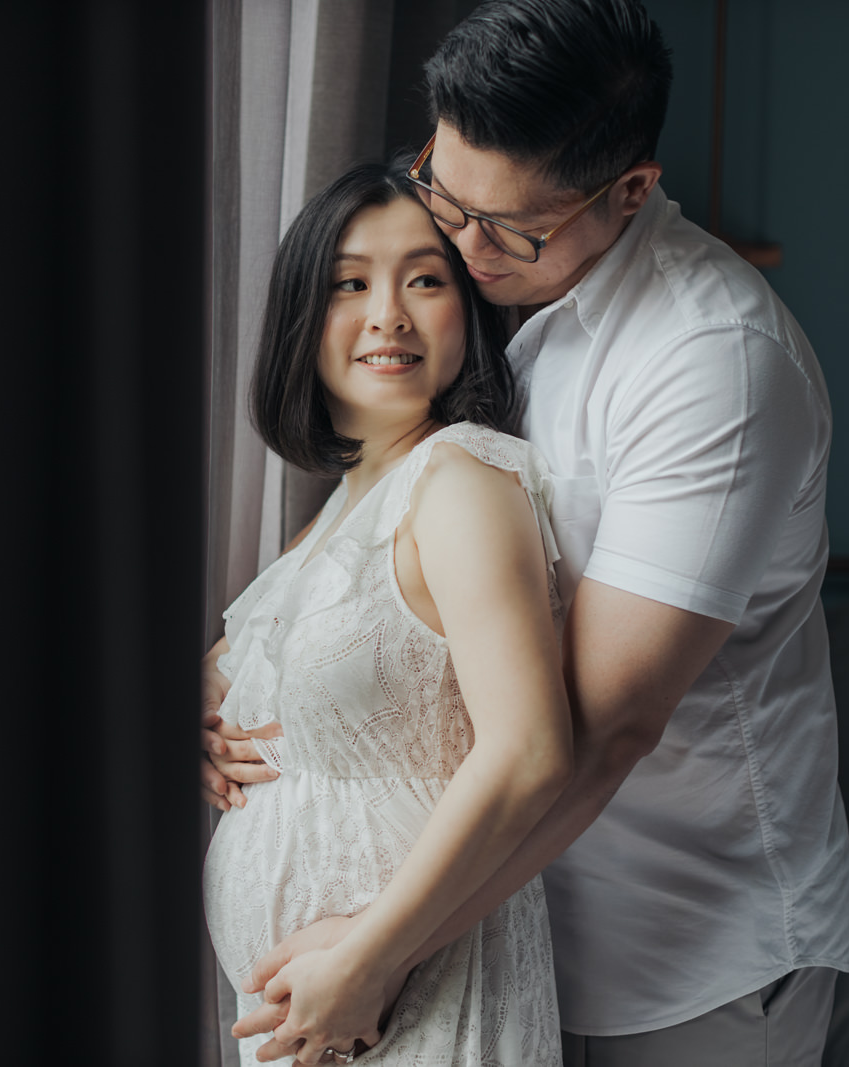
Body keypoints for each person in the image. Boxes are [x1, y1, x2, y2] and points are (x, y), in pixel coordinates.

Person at [203, 2, 849, 1064]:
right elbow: (387, 523)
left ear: (631, 192)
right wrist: (243, 668)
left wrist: (380, 949)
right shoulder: (481, 284)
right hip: (485, 934)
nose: (459, 248)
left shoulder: (710, 363)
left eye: (503, 228)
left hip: (676, 954)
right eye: (441, 194)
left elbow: (601, 727)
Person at [201, 158, 573, 1066]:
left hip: (407, 987)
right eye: (350, 284)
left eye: (424, 280)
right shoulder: (336, 511)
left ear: (468, 310)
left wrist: (369, 956)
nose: (388, 315)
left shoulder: (460, 477)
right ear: (303, 316)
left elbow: (530, 750)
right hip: (319, 1016)